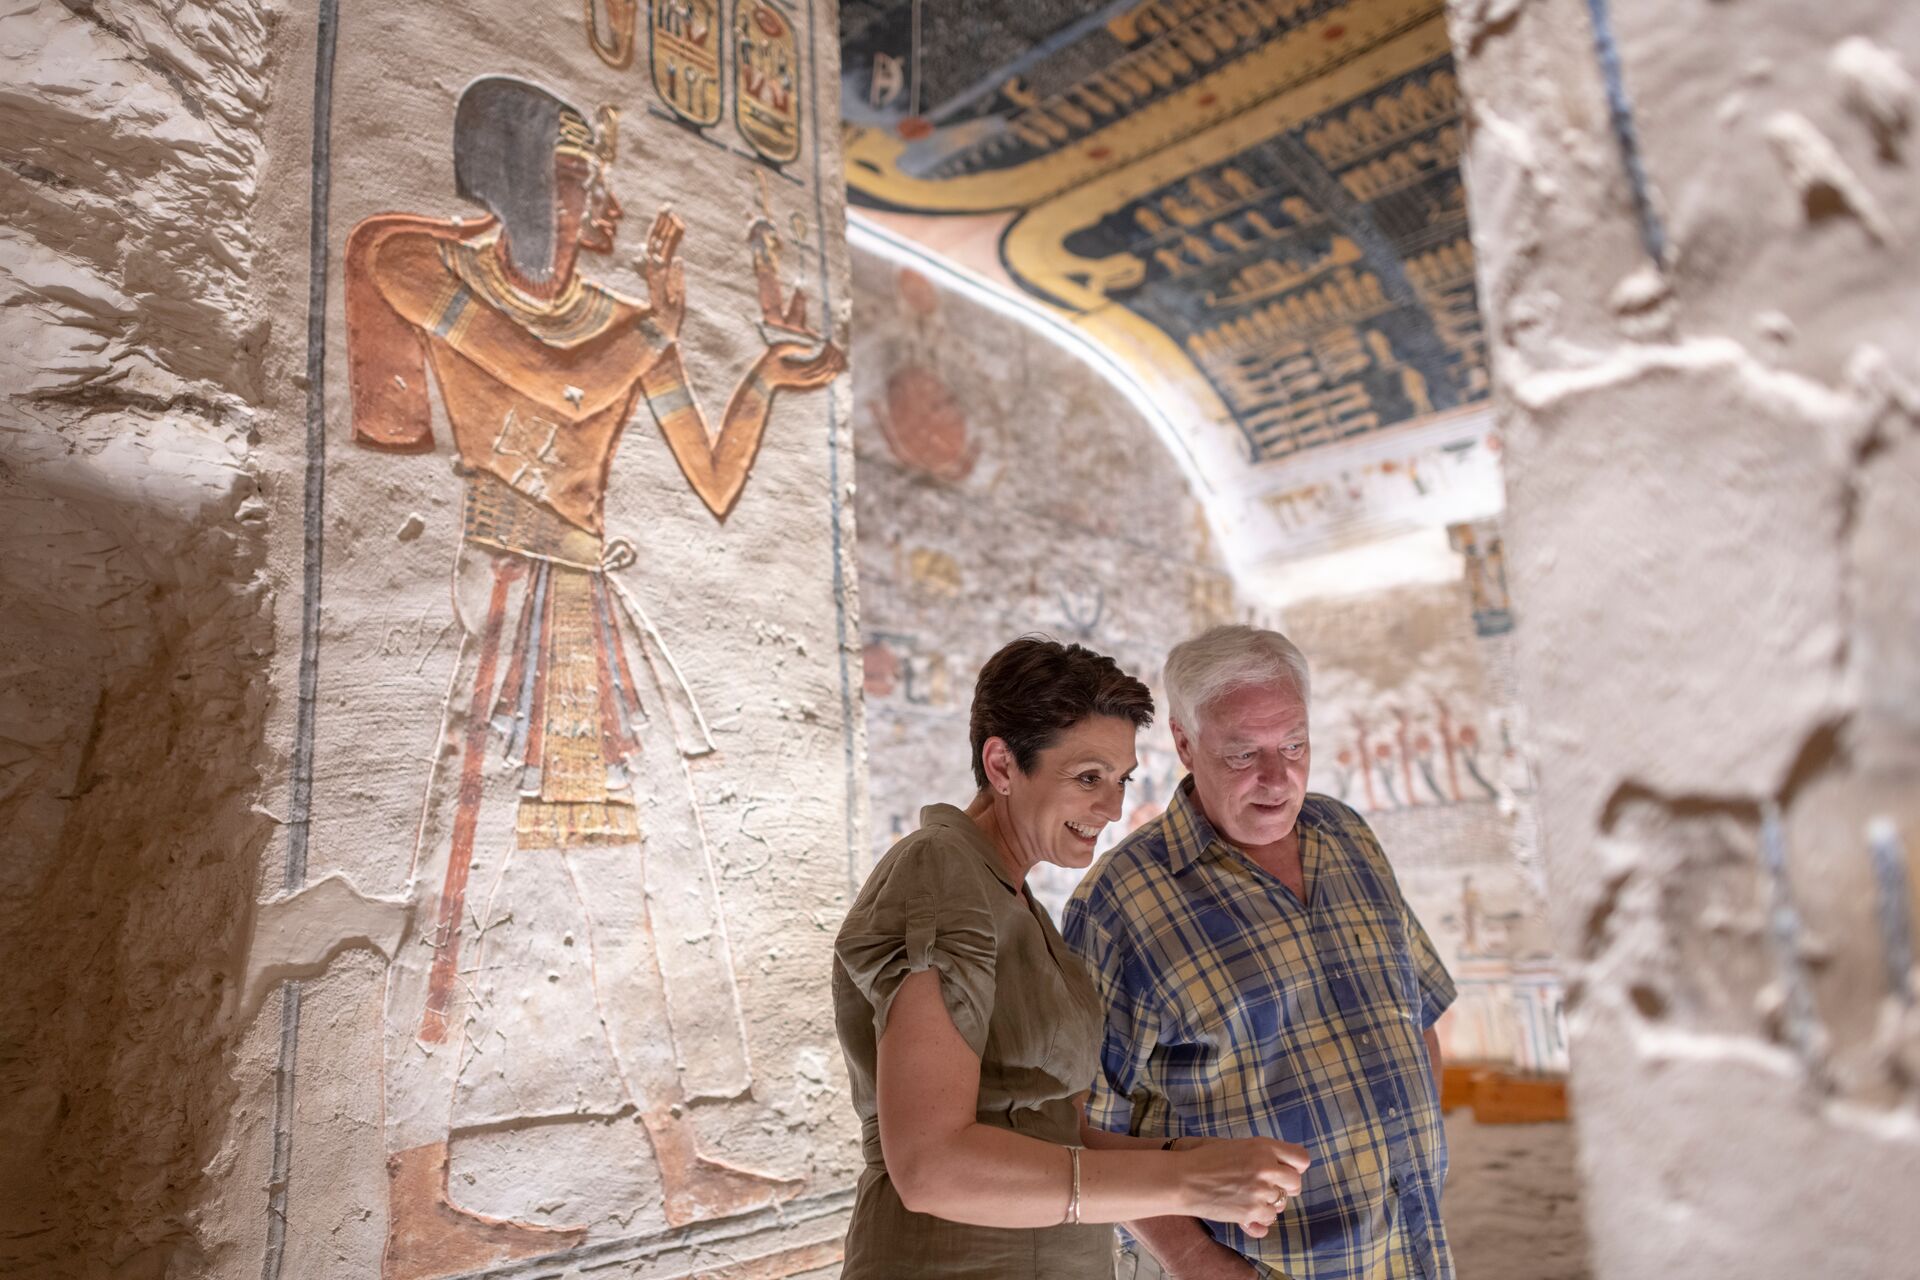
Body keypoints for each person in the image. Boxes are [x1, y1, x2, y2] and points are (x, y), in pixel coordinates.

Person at [343, 76, 843, 1278]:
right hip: (508, 604)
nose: (602, 196)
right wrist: (651, 328)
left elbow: (715, 480)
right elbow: (558, 380)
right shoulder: (435, 275)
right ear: (518, 180)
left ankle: (678, 1168)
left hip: (588, 617)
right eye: (577, 172)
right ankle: (416, 1205)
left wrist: (768, 375)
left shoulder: (626, 323)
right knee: (459, 907)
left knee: (632, 904)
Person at [833, 637, 1312, 1280]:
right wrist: (1183, 1179)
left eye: (1120, 781)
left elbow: (1051, 1126)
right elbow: (930, 1166)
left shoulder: (1013, 899)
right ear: (1002, 765)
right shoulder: (940, 871)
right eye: (1088, 777)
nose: (1112, 809)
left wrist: (1197, 1158)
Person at [1064, 626, 1456, 1280]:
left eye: (1295, 745)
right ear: (1186, 744)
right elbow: (1080, 1127)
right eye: (1244, 754)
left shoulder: (1347, 836)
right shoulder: (1120, 907)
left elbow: (1415, 1016)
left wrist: (1408, 1165)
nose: (1278, 778)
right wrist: (1193, 1259)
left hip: (1410, 1253)